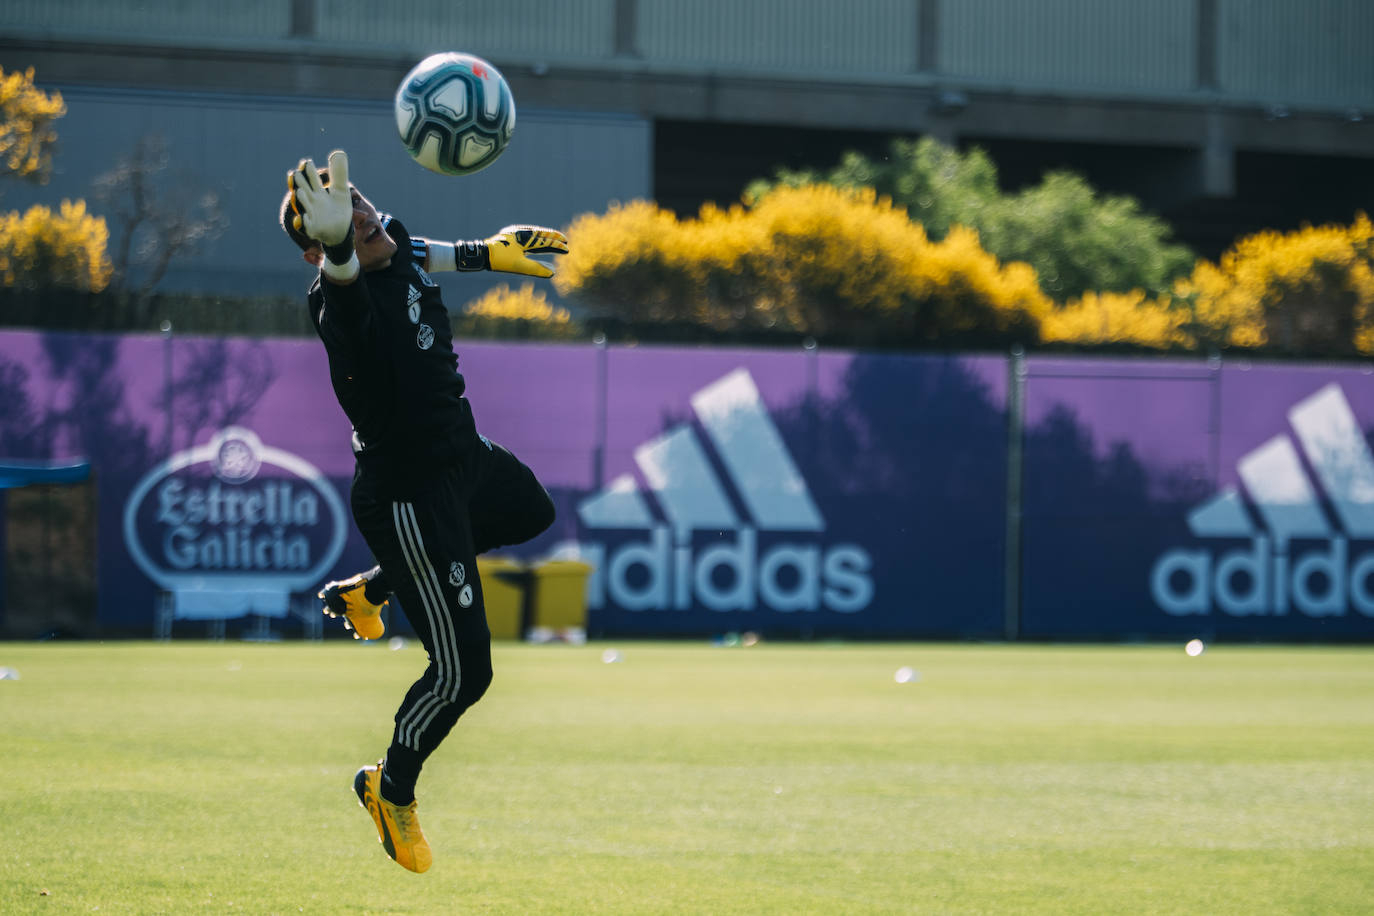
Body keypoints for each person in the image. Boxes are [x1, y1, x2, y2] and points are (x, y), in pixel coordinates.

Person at [280, 149, 565, 873]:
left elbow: (419, 248)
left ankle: (372, 589)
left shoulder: (389, 238)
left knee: (530, 509)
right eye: (346, 219)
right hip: (408, 493)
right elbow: (346, 281)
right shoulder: (339, 301)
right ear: (320, 247)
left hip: (460, 454)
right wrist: (340, 247)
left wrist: (490, 252)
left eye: (362, 201)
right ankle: (389, 787)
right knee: (464, 674)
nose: (367, 215)